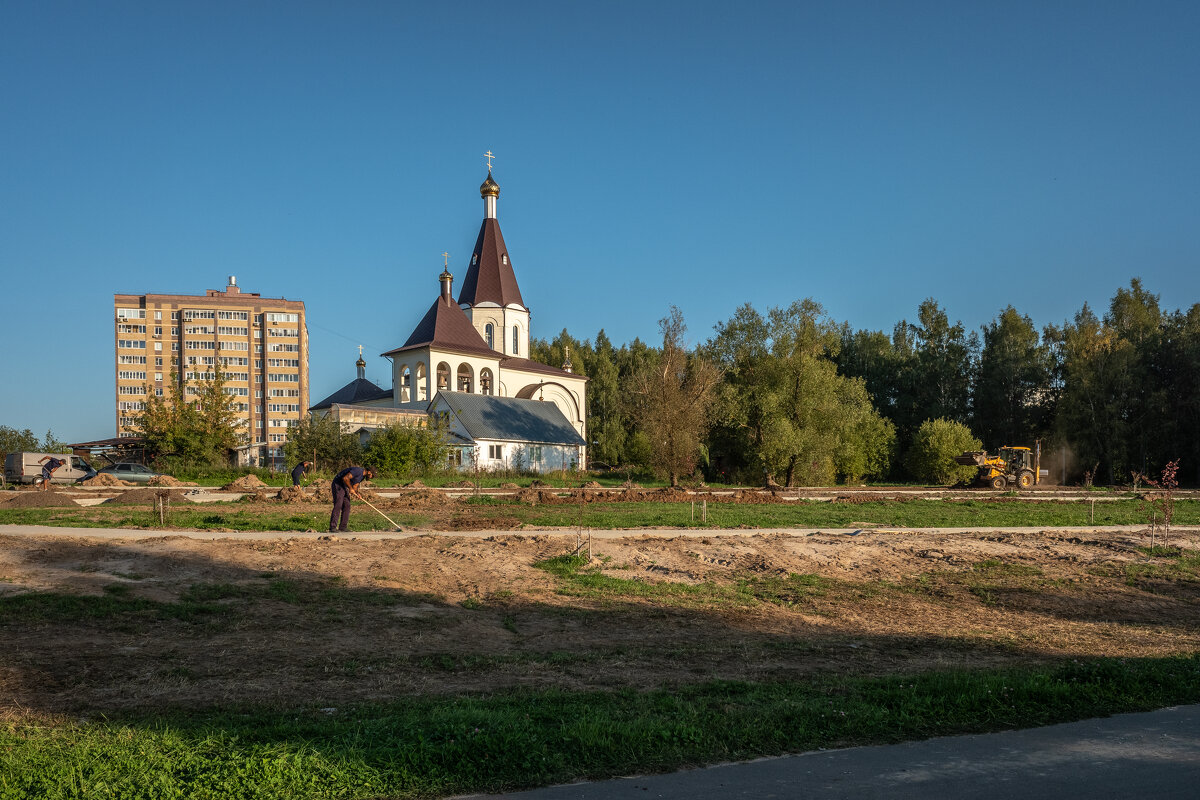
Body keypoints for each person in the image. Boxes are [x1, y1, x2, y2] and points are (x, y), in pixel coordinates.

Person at [329, 464, 373, 533]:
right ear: (369, 472)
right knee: (338, 504)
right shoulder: (357, 471)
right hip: (338, 484)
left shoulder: (362, 477)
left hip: (344, 486)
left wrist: (357, 493)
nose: (371, 477)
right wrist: (350, 488)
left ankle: (343, 527)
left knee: (347, 505)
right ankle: (333, 527)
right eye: (372, 475)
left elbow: (355, 485)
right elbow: (345, 478)